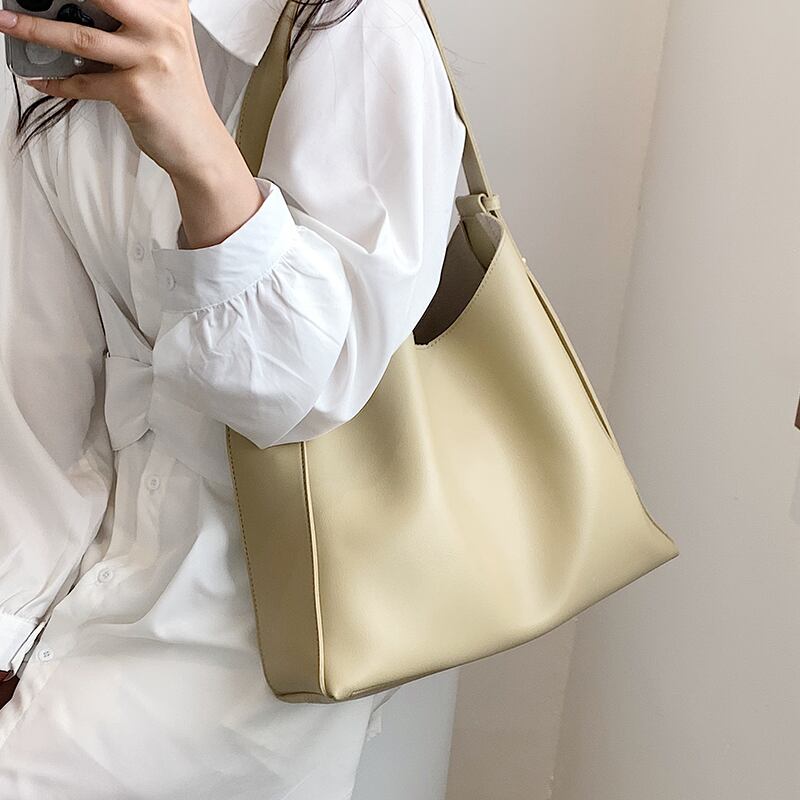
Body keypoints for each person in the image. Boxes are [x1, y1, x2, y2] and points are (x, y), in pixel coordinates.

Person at [0, 0, 466, 796]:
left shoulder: (358, 28)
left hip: (264, 607)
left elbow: (302, 392)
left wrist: (202, 158)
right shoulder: (54, 32)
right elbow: (37, 374)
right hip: (73, 562)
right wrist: (10, 626)